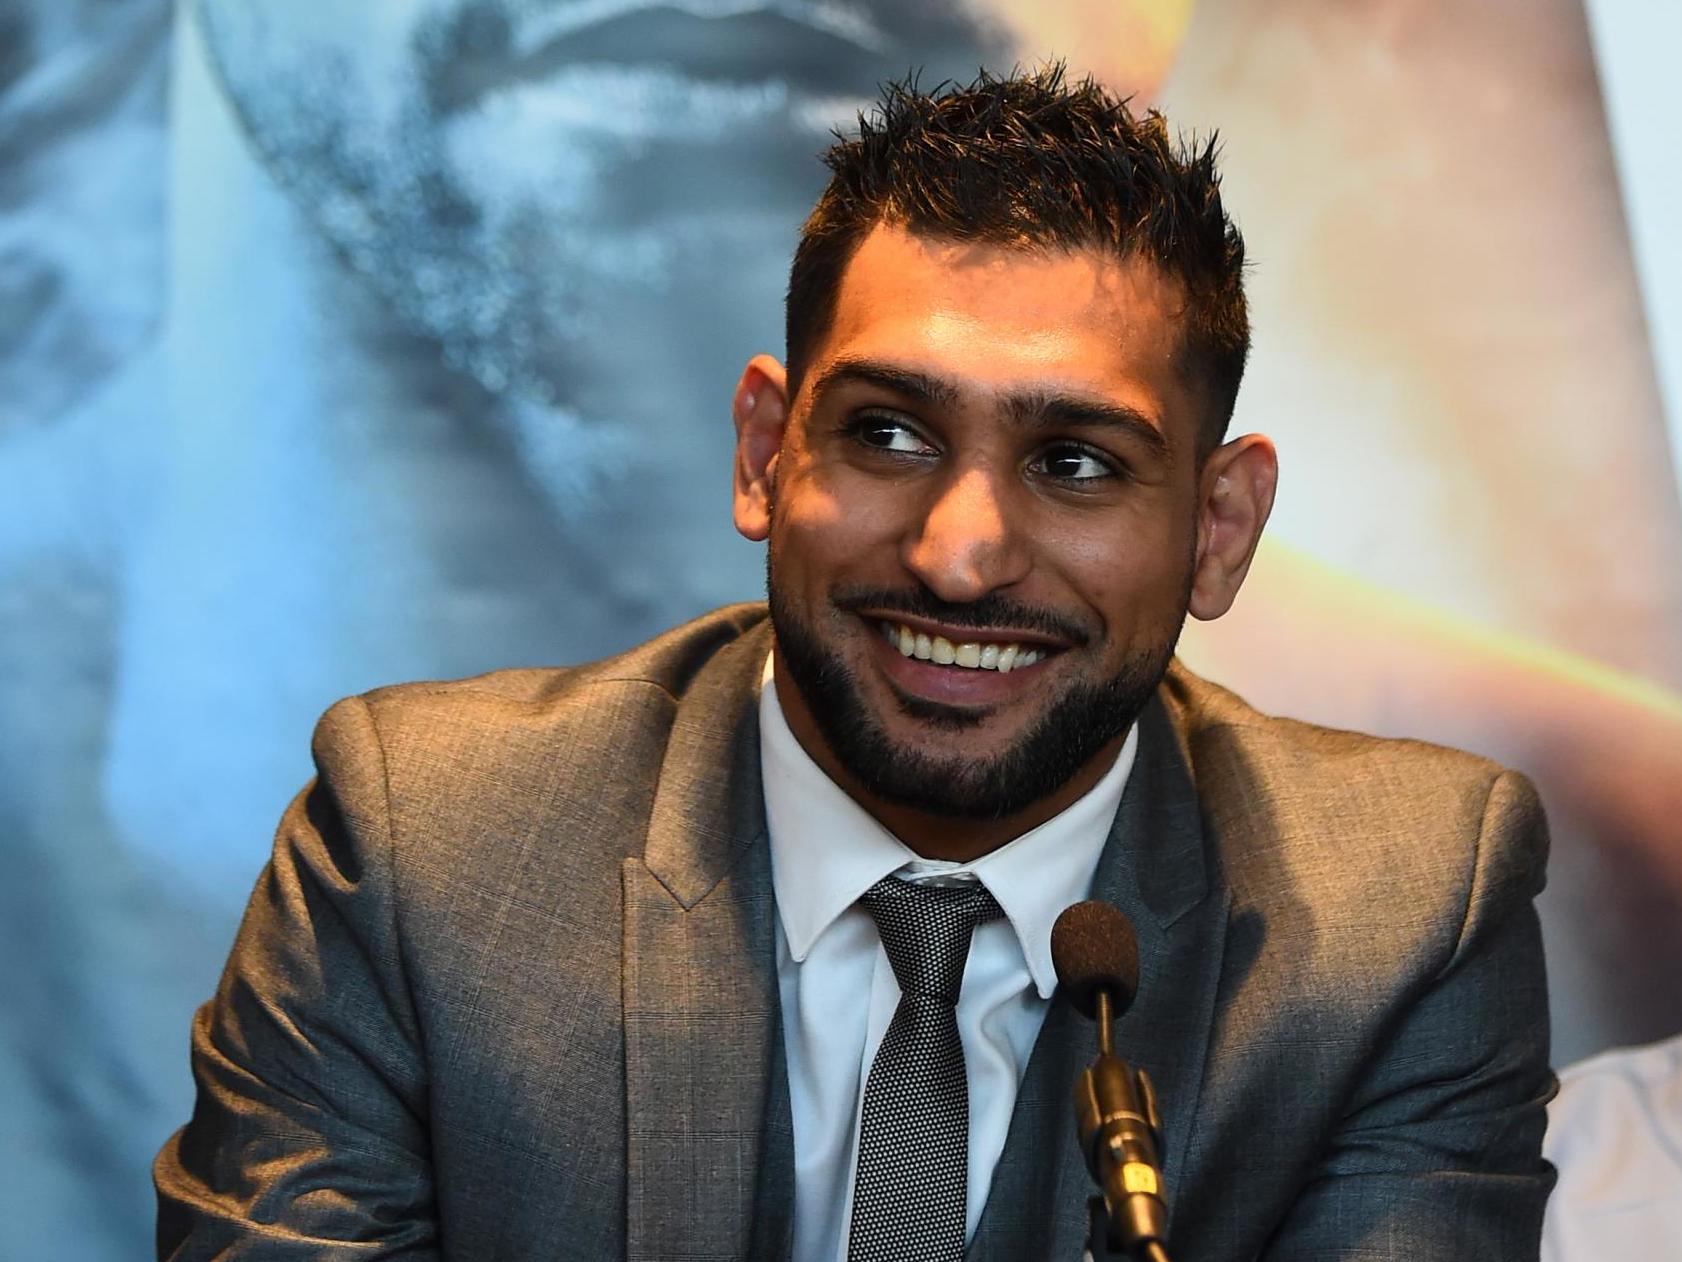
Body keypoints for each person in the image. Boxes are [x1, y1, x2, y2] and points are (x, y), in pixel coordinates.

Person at [154, 67, 1555, 1260]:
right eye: (887, 434)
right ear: (767, 450)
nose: (960, 554)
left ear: (1216, 525)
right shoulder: (423, 848)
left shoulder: (1403, 914)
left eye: (1075, 464)